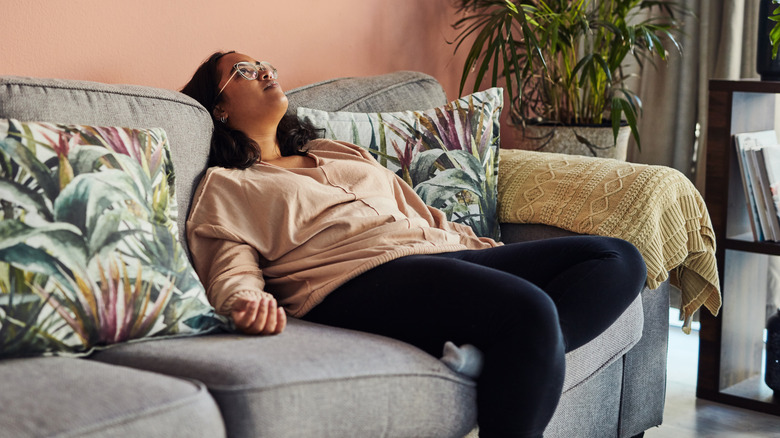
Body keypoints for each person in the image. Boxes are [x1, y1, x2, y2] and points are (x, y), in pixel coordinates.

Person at [181, 50, 647, 438]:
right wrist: (244, 302)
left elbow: (419, 212)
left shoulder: (336, 152)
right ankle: (514, 350)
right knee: (531, 311)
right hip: (357, 278)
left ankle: (501, 355)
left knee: (618, 257)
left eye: (265, 64)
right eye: (244, 70)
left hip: (437, 252)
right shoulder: (228, 184)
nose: (266, 71)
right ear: (219, 108)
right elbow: (228, 263)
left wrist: (485, 250)